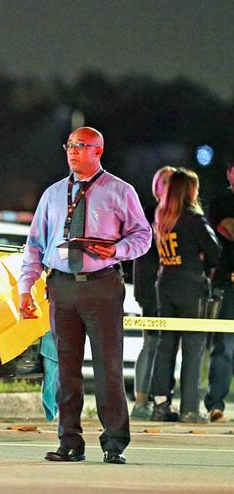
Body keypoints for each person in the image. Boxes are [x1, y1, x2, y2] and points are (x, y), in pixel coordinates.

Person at [19, 127, 151, 465]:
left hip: (101, 285)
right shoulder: (52, 194)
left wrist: (116, 250)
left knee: (108, 367)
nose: (73, 151)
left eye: (81, 146)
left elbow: (143, 236)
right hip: (61, 286)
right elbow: (35, 244)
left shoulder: (119, 191)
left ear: (98, 151)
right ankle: (70, 441)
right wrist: (25, 287)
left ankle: (114, 442)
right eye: (70, 145)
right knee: (66, 369)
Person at [149, 169, 221, 423]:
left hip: (165, 285)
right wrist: (201, 256)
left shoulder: (161, 217)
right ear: (189, 191)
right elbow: (215, 253)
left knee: (165, 345)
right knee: (193, 346)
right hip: (191, 287)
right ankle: (190, 407)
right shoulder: (193, 219)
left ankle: (160, 405)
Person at [130, 166, 173, 419]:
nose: (169, 185)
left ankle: (159, 400)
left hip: (165, 288)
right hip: (151, 288)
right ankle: (142, 399)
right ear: (156, 187)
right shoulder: (151, 214)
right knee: (152, 343)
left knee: (163, 345)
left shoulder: (172, 214)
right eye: (164, 181)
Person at [205, 157, 234, 423]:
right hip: (228, 282)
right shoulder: (221, 202)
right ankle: (215, 404)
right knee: (223, 346)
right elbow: (229, 229)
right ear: (229, 173)